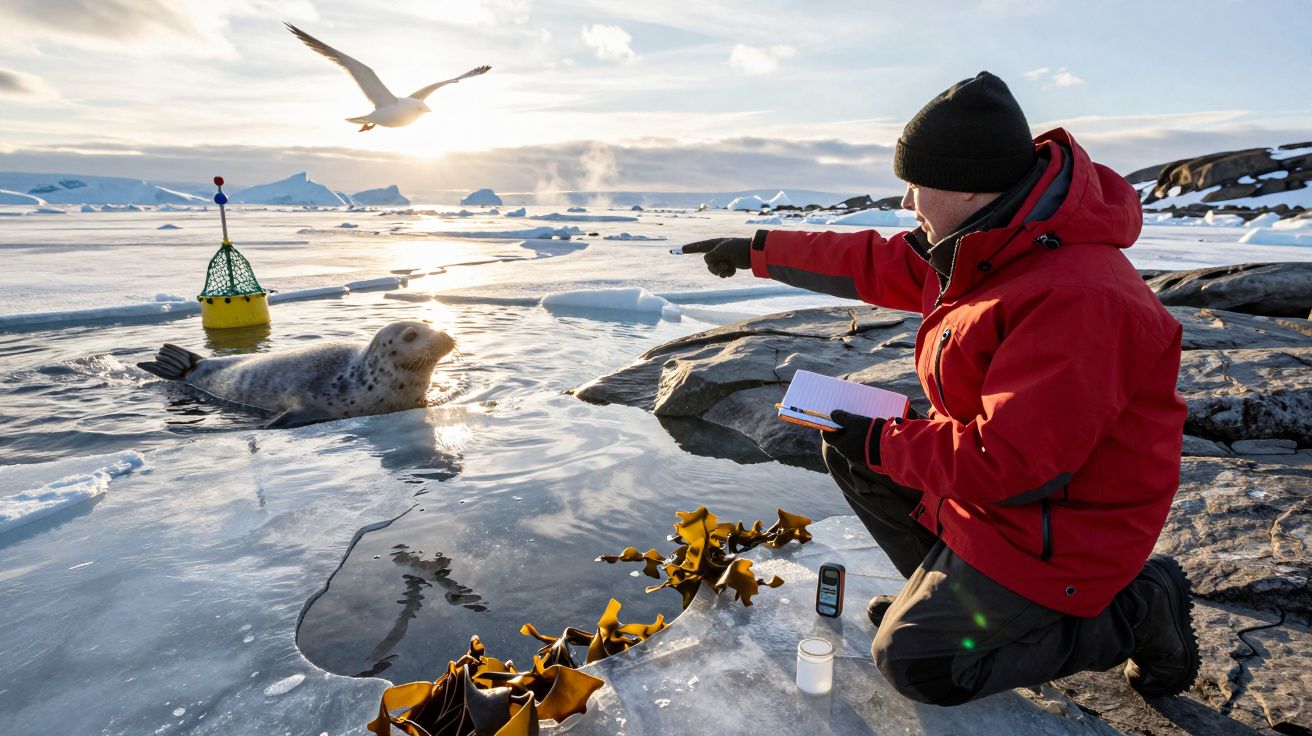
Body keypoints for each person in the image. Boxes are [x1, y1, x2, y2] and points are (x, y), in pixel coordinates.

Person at [680, 72, 1198, 705]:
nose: (906, 202)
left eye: (916, 184)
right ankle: (945, 590)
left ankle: (1140, 609)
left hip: (1061, 527)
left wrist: (884, 442)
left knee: (919, 666)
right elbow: (876, 260)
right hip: (1011, 504)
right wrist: (757, 248)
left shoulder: (1075, 298)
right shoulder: (991, 244)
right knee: (849, 445)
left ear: (969, 186)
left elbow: (1014, 465)